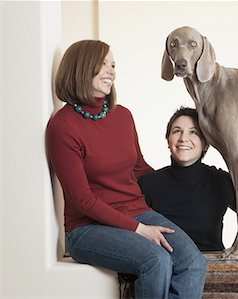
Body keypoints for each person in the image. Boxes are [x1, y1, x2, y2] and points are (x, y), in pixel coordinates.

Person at [46, 40, 207, 299]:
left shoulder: (123, 116)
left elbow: (139, 169)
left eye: (113, 65)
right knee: (156, 260)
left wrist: (182, 183)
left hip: (138, 212)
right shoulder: (63, 127)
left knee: (193, 262)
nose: (111, 71)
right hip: (87, 229)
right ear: (80, 68)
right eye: (103, 64)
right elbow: (82, 200)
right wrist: (137, 229)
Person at [139, 107, 238, 251]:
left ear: (206, 143)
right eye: (177, 131)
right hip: (167, 267)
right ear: (168, 140)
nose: (184, 138)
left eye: (194, 132)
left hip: (213, 267)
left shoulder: (220, 181)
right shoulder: (148, 184)